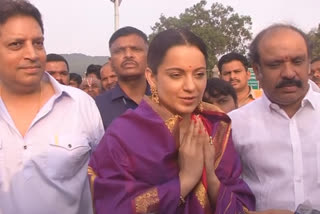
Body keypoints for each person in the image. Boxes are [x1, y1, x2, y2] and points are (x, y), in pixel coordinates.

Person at [89, 29, 255, 214]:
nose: (191, 86)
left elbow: (242, 203)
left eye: (199, 74)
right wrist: (185, 180)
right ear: (152, 77)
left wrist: (210, 177)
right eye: (176, 75)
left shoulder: (216, 125)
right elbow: (113, 207)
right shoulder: (123, 134)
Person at [0, 1, 104, 213]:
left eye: (38, 43)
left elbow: (105, 180)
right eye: (16, 44)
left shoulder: (80, 105)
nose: (32, 54)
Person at [228, 24, 320, 212]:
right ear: (257, 70)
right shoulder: (234, 124)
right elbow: (224, 193)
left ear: (309, 64)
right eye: (275, 64)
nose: (288, 73)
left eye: (297, 61)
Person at [95, 26, 150, 129]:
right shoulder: (96, 107)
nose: (128, 55)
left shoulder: (167, 99)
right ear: (111, 62)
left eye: (136, 49)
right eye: (119, 51)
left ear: (149, 56)